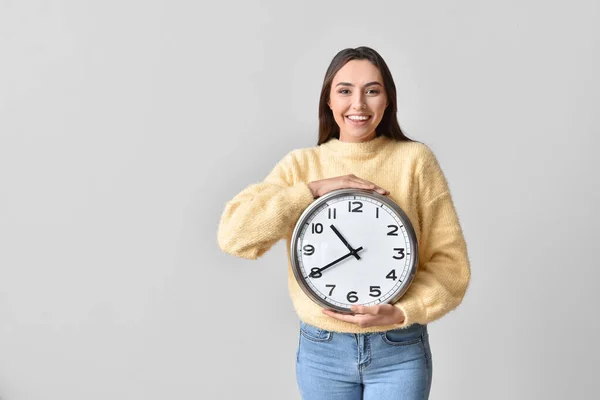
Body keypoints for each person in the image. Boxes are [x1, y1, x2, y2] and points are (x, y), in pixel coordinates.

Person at [217, 46, 471, 400]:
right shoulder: (301, 166)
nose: (359, 105)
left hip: (397, 346)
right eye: (345, 90)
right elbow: (233, 236)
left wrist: (401, 312)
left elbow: (451, 266)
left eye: (372, 90)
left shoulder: (415, 161)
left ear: (387, 100)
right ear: (329, 101)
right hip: (323, 351)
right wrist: (311, 191)